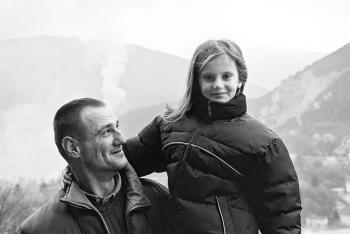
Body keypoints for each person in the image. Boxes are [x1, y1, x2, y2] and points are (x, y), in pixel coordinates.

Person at [124, 39, 302, 234]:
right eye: (209, 77)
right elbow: (123, 160)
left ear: (240, 79)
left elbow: (282, 218)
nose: (218, 85)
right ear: (197, 81)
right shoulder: (169, 126)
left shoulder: (264, 143)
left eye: (226, 76)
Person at [16, 98, 169, 234]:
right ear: (73, 148)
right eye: (106, 132)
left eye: (117, 127)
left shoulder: (158, 197)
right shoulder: (38, 230)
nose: (122, 139)